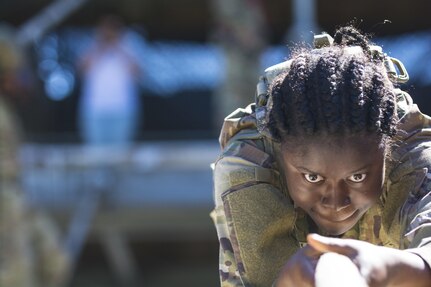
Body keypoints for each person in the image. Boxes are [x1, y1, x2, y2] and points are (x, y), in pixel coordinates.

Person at [211, 26, 431, 287]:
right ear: (281, 154)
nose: (336, 202)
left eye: (357, 176)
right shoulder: (249, 164)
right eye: (312, 177)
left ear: (388, 149)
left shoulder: (413, 149)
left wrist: (393, 267)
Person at [0, 26, 70, 287]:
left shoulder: (6, 110)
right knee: (16, 276)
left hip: (16, 197)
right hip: (6, 200)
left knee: (55, 261)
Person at [78, 15, 141, 146]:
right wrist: (102, 46)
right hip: (95, 110)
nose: (109, 32)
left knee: (120, 154)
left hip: (122, 110)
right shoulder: (91, 46)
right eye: (106, 28)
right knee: (95, 153)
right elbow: (82, 70)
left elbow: (137, 73)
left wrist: (117, 46)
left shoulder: (130, 46)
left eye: (113, 28)